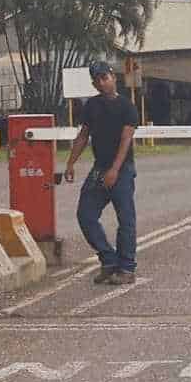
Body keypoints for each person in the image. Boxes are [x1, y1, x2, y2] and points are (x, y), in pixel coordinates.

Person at [72, 61, 141, 283]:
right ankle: (108, 260)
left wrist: (114, 170)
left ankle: (126, 268)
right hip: (99, 169)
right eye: (97, 79)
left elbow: (125, 140)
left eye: (105, 77)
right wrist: (70, 163)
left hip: (121, 169)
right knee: (86, 214)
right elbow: (83, 136)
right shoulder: (91, 106)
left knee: (126, 219)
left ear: (113, 77)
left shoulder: (127, 107)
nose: (102, 82)